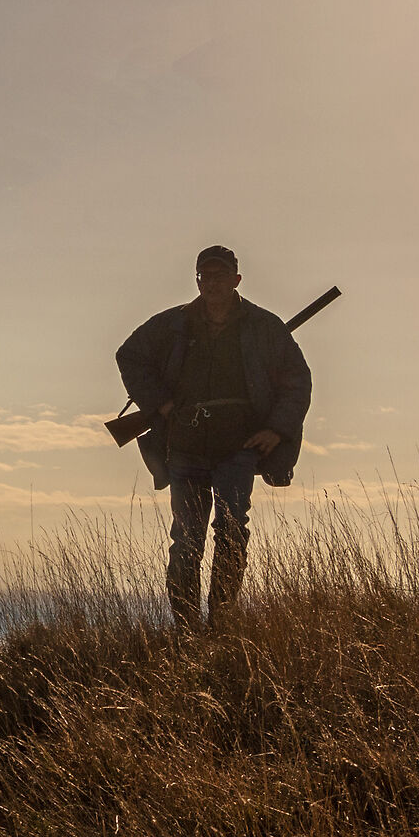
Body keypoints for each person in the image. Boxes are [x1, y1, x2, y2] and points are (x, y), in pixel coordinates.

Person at [115, 245, 312, 627]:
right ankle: (187, 628)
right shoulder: (173, 324)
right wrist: (162, 404)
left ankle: (221, 621)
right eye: (205, 275)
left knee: (232, 531)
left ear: (236, 280)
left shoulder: (264, 326)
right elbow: (129, 355)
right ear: (197, 280)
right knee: (186, 539)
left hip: (238, 448)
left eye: (220, 275)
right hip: (185, 446)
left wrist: (277, 429)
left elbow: (297, 381)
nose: (212, 282)